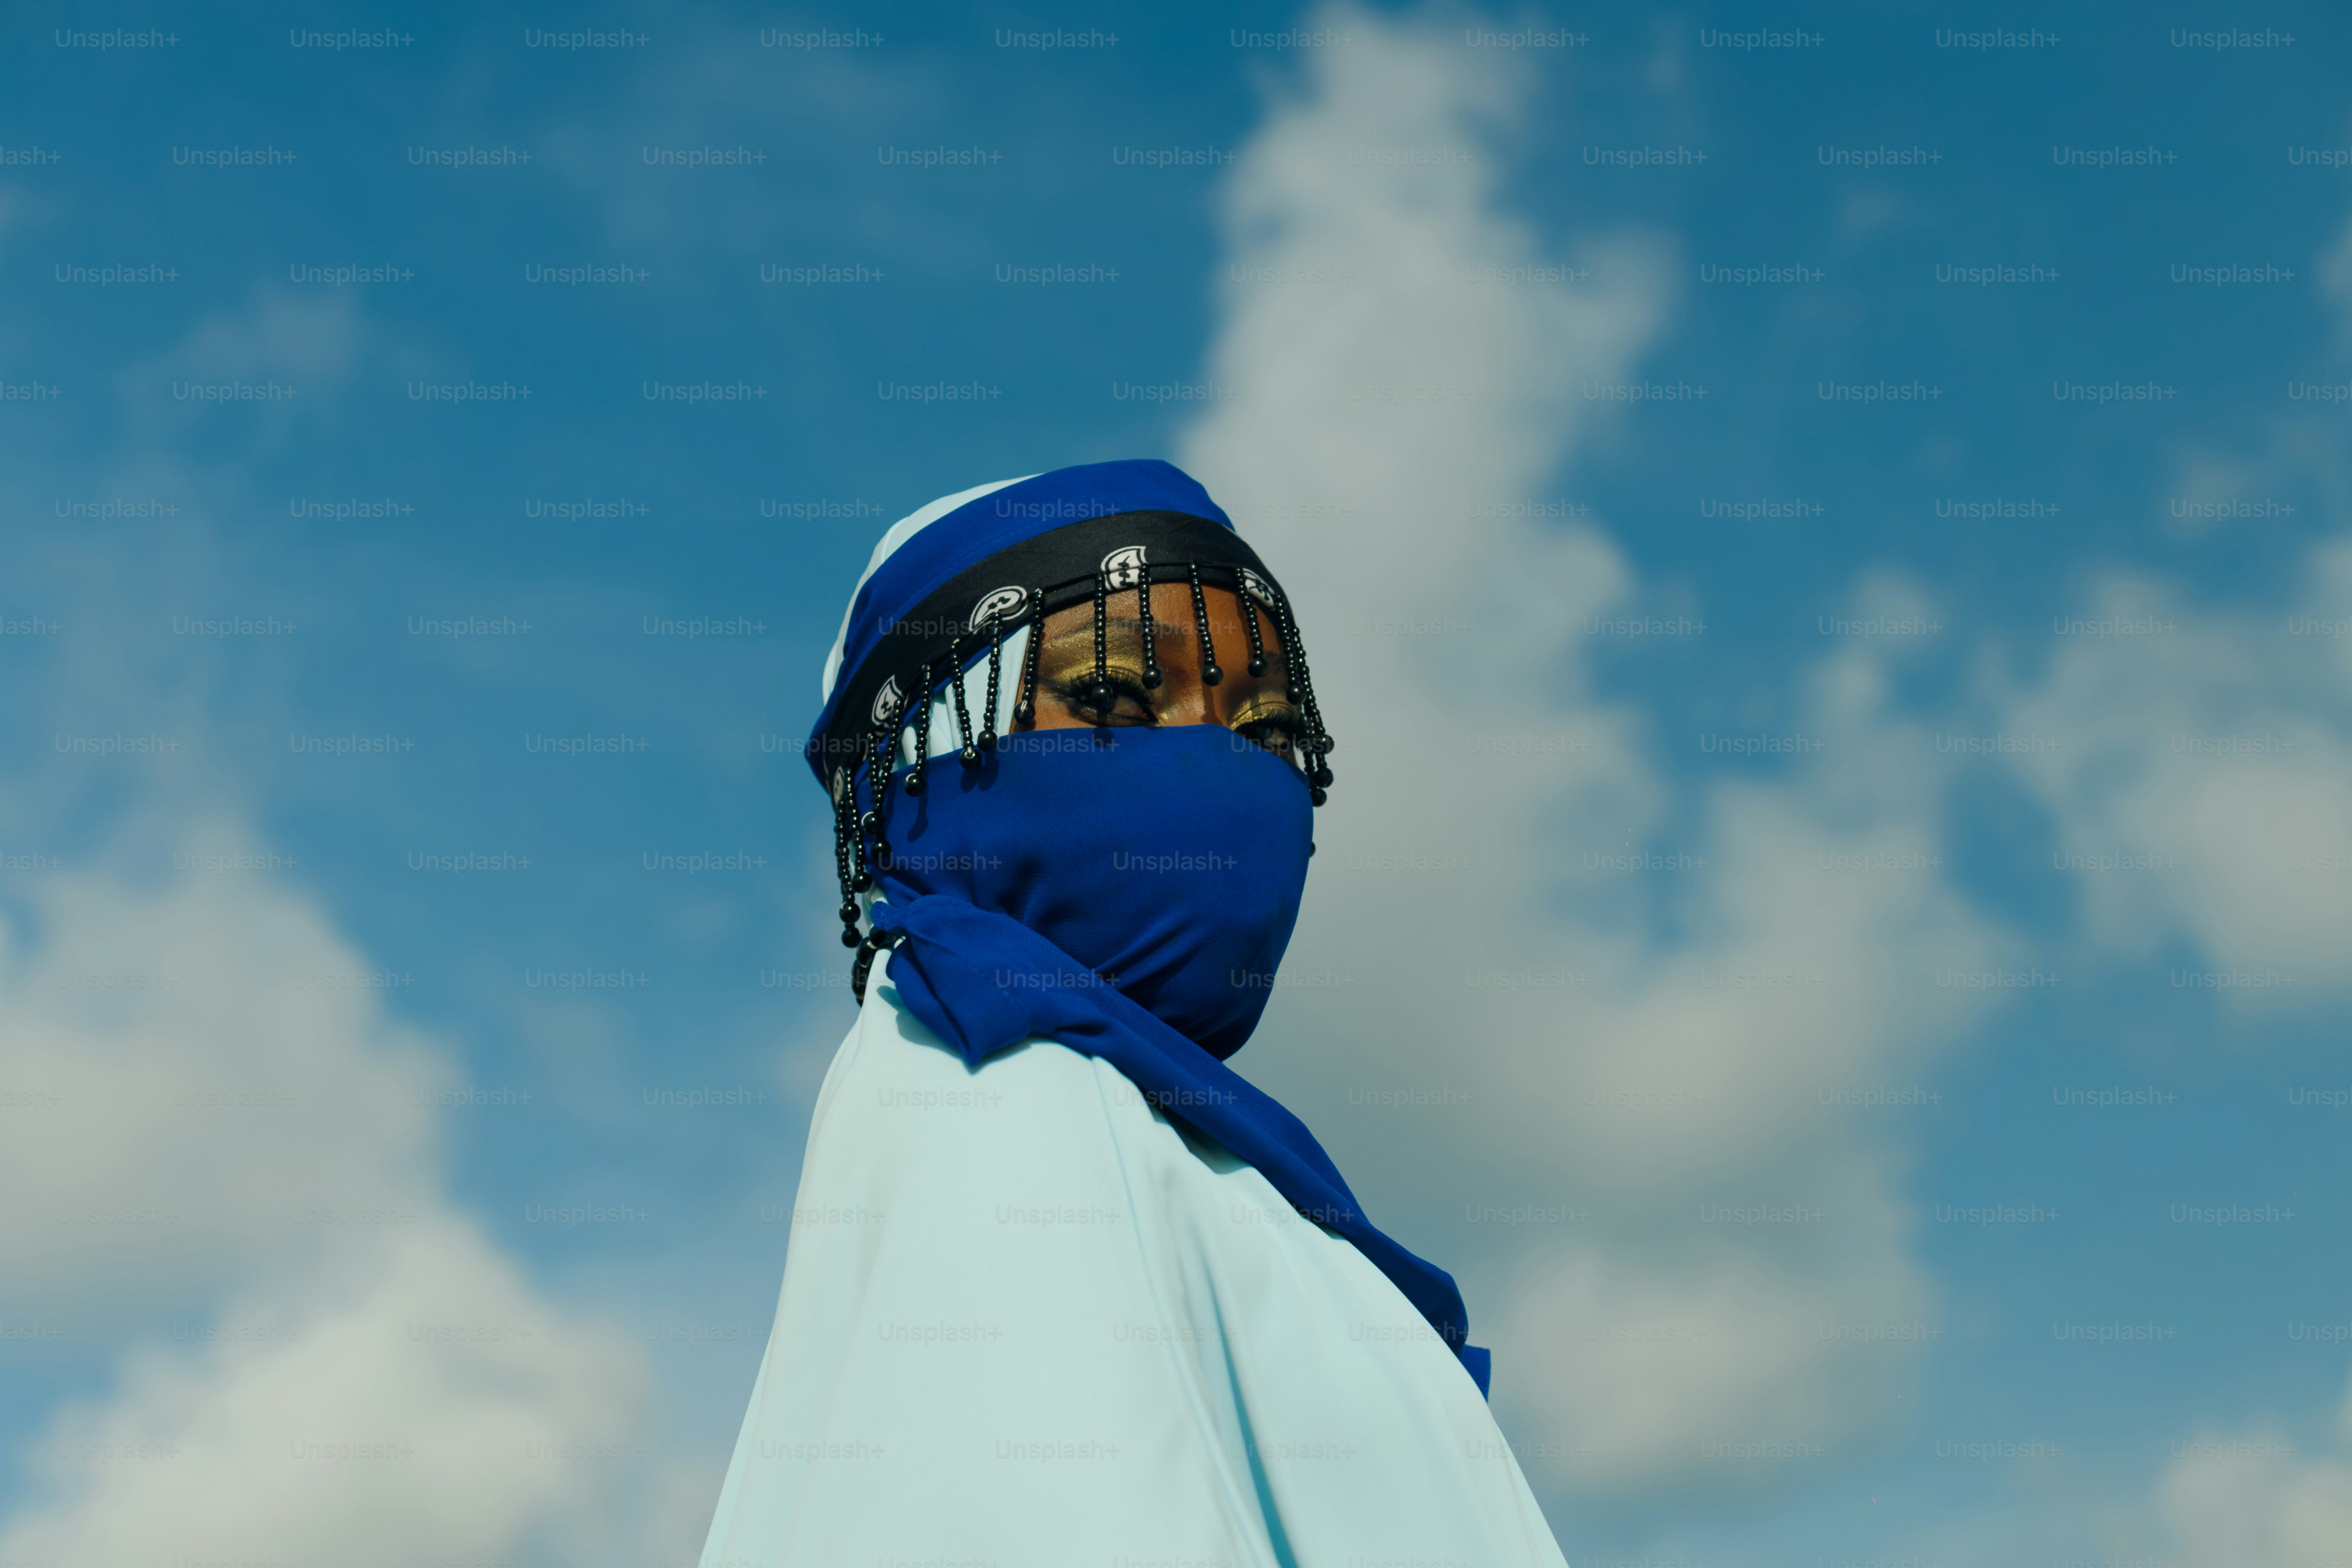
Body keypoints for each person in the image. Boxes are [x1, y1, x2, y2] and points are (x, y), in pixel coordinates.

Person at [701, 460, 1568, 1565]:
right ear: (916, 759)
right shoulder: (995, 1083)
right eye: (1112, 697)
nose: (1214, 761)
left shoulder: (1193, 1152)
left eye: (1260, 728)